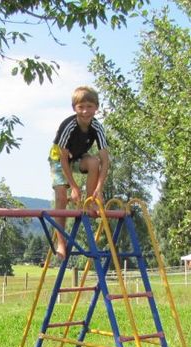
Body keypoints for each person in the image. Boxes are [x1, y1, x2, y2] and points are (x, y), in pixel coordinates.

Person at [49, 85, 110, 260]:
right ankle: (61, 243)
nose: (85, 111)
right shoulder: (68, 126)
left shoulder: (97, 128)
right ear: (74, 108)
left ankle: (89, 202)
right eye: (81, 107)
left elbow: (105, 160)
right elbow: (62, 159)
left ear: (96, 107)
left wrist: (99, 189)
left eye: (89, 107)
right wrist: (74, 188)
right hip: (59, 159)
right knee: (61, 197)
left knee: (94, 162)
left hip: (77, 157)